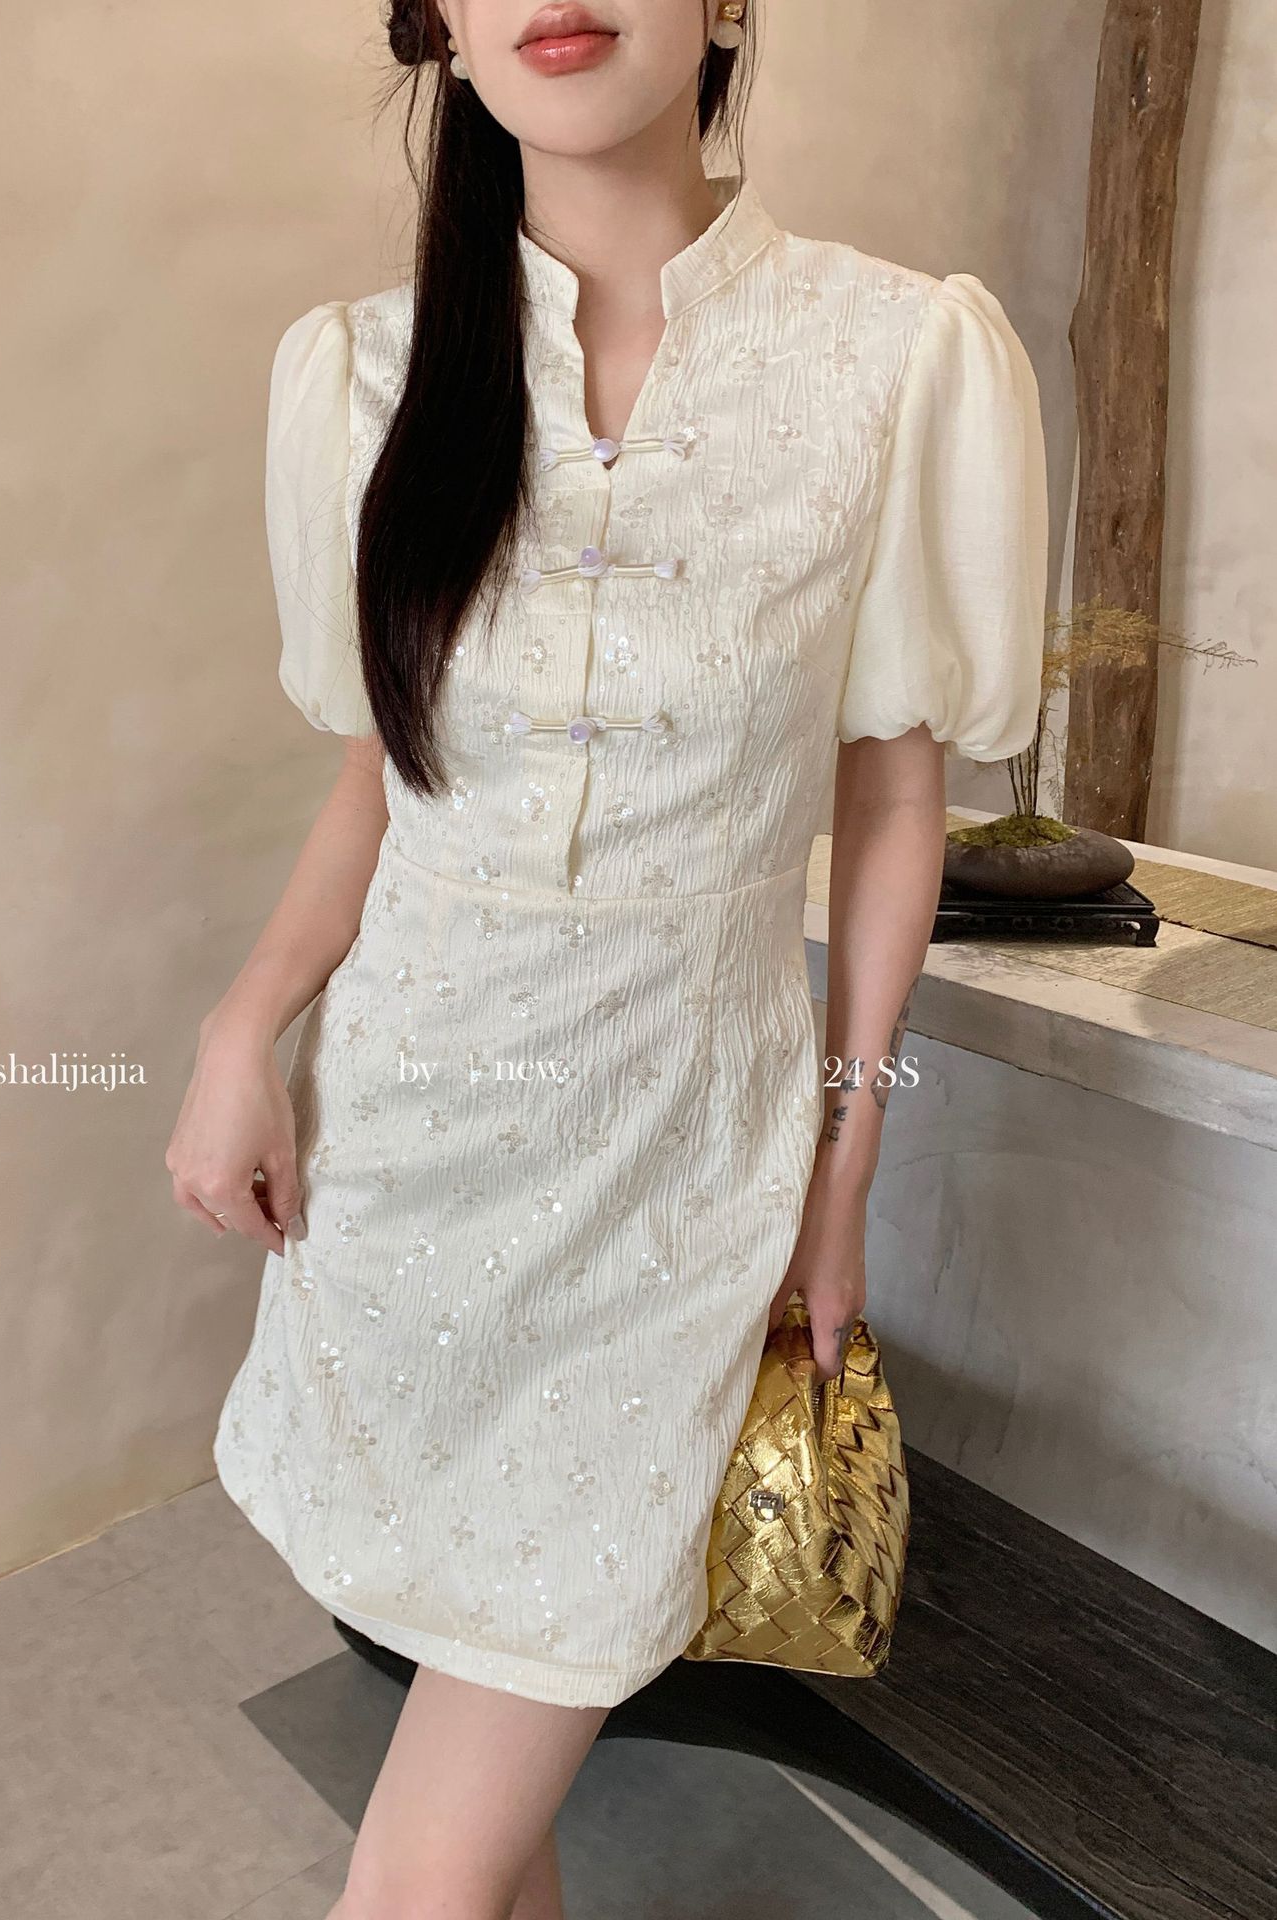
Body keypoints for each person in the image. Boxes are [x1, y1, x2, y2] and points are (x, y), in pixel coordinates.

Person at [166, 2, 1048, 1913]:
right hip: (407, 1151)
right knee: (494, 1793)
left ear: (727, 1)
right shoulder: (364, 372)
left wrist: (843, 1167)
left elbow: (893, 799)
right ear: (442, 26)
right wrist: (247, 1028)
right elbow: (382, 777)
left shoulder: (897, 355)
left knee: (420, 1872)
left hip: (679, 1170)